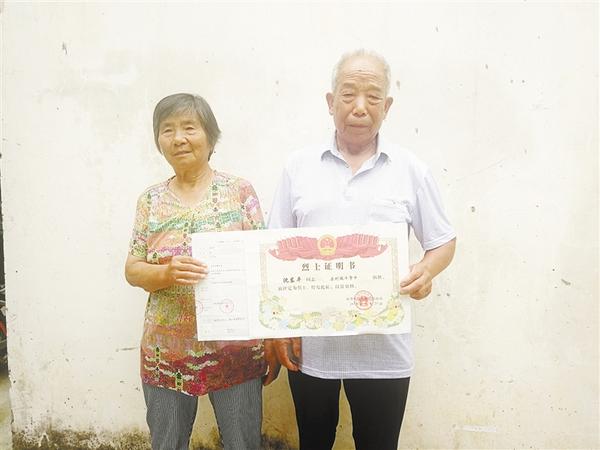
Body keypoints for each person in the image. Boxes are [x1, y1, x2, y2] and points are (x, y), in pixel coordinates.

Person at [267, 50, 457, 450]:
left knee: (378, 444)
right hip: (312, 348)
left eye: (372, 97)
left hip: (383, 349)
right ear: (330, 101)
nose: (359, 107)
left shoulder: (410, 169)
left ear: (387, 107)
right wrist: (278, 328)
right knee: (313, 441)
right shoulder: (298, 167)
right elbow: (274, 247)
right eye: (349, 94)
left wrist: (425, 271)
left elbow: (442, 241)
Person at [124, 93, 278, 450]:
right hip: (166, 355)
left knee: (242, 443)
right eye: (167, 130)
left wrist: (271, 338)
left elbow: (264, 266)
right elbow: (132, 269)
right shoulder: (150, 200)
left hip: (236, 350)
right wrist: (165, 274)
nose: (178, 138)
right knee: (167, 443)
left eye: (189, 128)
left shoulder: (239, 192)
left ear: (210, 137)